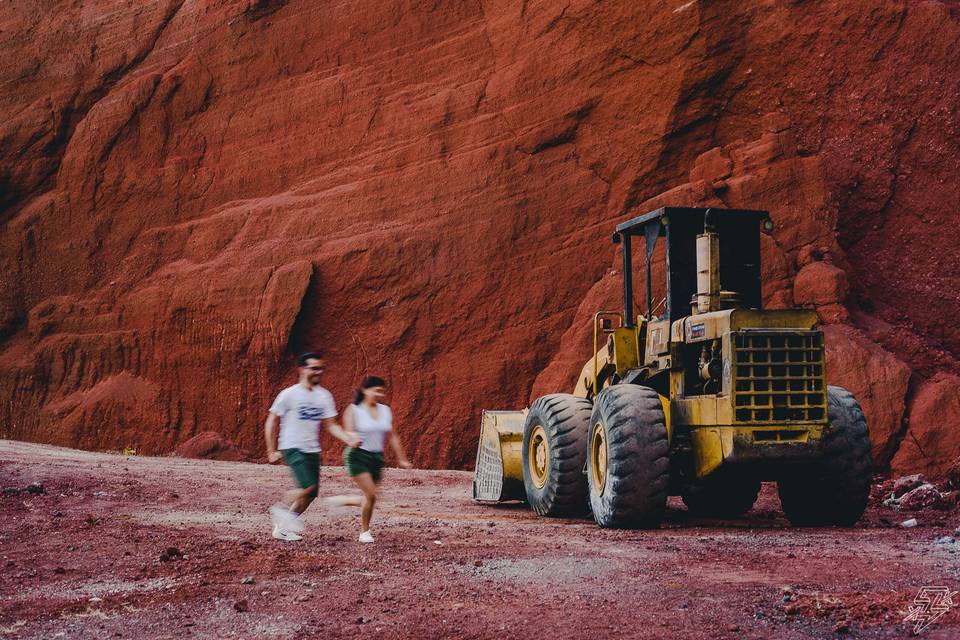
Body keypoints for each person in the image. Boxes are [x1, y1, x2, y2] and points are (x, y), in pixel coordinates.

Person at [264, 352, 360, 542]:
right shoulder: (289, 394)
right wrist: (271, 450)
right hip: (292, 446)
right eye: (314, 368)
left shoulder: (324, 396)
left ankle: (282, 529)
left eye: (321, 368)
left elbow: (331, 425)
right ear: (302, 369)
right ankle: (279, 508)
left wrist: (348, 439)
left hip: (312, 450)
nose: (319, 371)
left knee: (311, 494)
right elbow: (272, 420)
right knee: (309, 487)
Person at [337, 376, 412, 543]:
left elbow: (392, 436)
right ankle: (364, 532)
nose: (380, 394)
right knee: (371, 494)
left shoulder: (385, 410)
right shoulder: (354, 409)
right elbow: (348, 431)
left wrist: (402, 458)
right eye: (376, 390)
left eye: (382, 391)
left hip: (376, 458)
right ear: (365, 390)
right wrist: (352, 437)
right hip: (357, 455)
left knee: (371, 495)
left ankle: (346, 500)